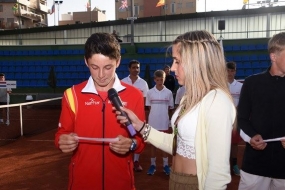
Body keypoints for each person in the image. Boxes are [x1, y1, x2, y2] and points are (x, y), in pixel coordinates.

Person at [115, 30, 236, 189]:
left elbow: (218, 174)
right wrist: (140, 126)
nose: (172, 68)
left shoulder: (216, 100)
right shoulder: (189, 96)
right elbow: (177, 144)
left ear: (196, 61)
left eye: (177, 61)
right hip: (178, 180)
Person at [55, 32, 146, 190]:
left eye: (108, 67)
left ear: (118, 62)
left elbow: (140, 140)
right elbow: (61, 135)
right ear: (86, 62)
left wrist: (131, 144)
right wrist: (62, 141)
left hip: (121, 183)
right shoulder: (71, 95)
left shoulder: (135, 95)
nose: (101, 75)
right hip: (82, 184)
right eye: (94, 67)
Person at [238, 32, 285, 190]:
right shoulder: (252, 83)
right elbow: (242, 119)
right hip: (255, 163)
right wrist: (252, 135)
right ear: (273, 56)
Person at [121, 59, 149, 172]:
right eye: (134, 67)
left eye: (138, 67)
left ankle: (136, 161)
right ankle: (125, 161)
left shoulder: (143, 83)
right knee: (125, 136)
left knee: (137, 137)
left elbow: (145, 101)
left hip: (138, 116)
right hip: (124, 115)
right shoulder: (122, 82)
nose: (136, 70)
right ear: (129, 69)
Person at [145, 70, 174, 176]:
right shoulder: (149, 92)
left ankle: (165, 165)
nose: (160, 81)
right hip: (153, 123)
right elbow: (148, 108)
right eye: (158, 80)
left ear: (164, 79)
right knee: (152, 145)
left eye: (161, 79)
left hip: (164, 122)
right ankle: (153, 165)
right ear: (154, 80)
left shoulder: (169, 93)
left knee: (163, 144)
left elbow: (170, 109)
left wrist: (170, 122)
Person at [226, 61, 243, 176]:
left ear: (235, 72)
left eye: (232, 71)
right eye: (228, 70)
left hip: (236, 119)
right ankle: (225, 166)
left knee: (235, 143)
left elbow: (243, 102)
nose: (230, 73)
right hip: (223, 119)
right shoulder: (221, 85)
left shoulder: (240, 86)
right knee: (224, 142)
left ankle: (235, 164)